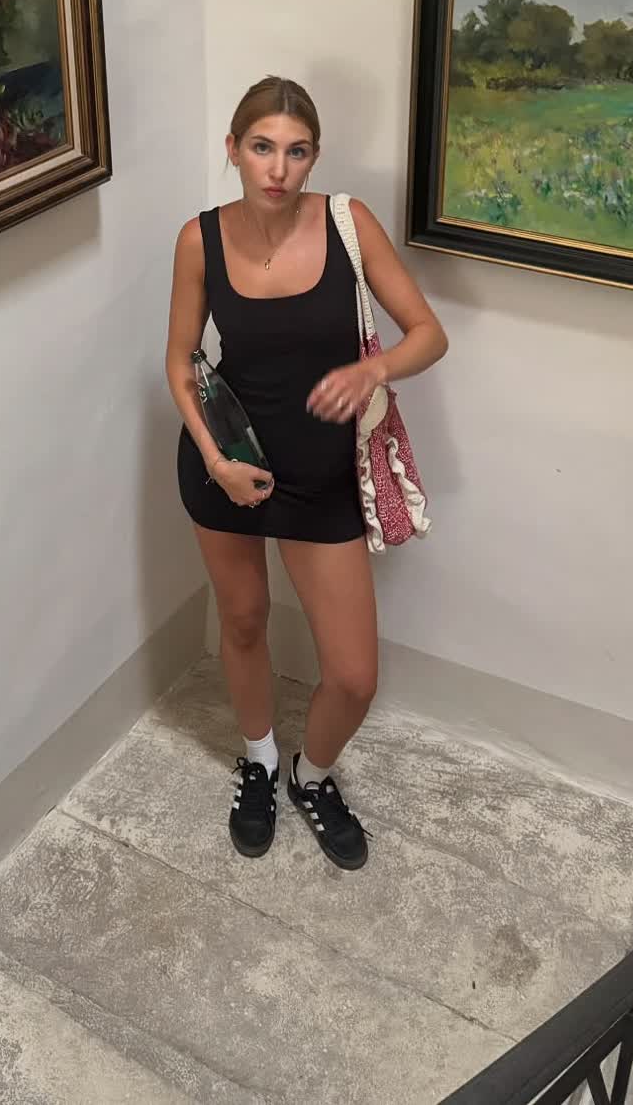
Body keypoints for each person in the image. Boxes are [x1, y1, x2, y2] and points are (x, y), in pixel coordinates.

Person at [165, 75, 448, 870]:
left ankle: (311, 775)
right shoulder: (199, 240)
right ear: (232, 149)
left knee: (352, 676)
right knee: (243, 621)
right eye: (261, 148)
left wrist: (375, 368)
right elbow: (181, 361)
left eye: (295, 152)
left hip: (322, 476)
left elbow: (428, 333)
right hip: (229, 463)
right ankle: (257, 760)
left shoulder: (347, 223)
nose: (277, 168)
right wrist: (215, 459)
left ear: (314, 157)